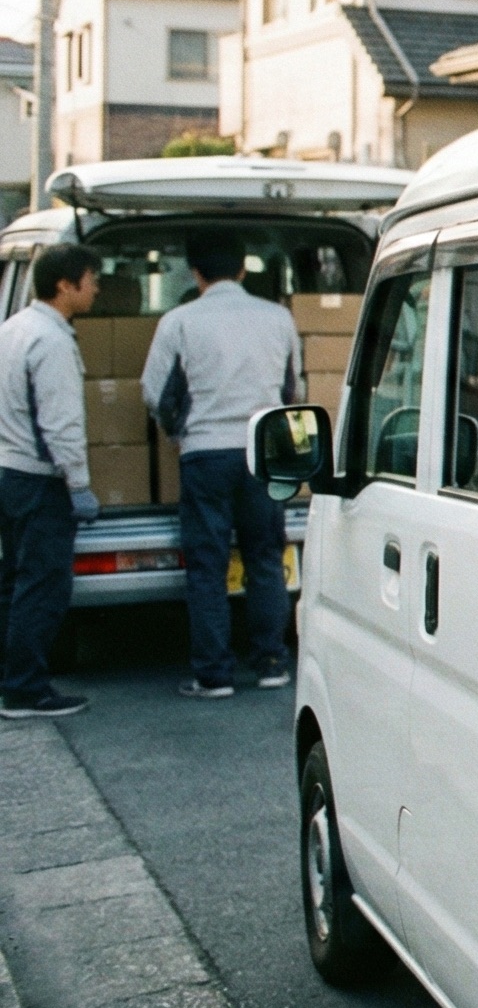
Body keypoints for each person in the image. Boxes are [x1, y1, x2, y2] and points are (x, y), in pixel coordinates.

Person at [143, 232, 300, 699]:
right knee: (265, 558)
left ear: (195, 274)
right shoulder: (278, 317)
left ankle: (214, 675)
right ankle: (272, 662)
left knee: (207, 566)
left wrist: (179, 433)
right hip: (261, 454)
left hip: (205, 454)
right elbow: (292, 389)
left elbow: (155, 392)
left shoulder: (178, 321)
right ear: (243, 269)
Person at [0, 244, 102, 719]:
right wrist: (78, 484)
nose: (96, 289)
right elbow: (61, 424)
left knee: (14, 582)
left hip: (10, 472)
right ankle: (25, 691)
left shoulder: (12, 329)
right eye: (91, 280)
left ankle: (11, 679)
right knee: (43, 586)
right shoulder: (53, 341)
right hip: (41, 481)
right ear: (65, 285)